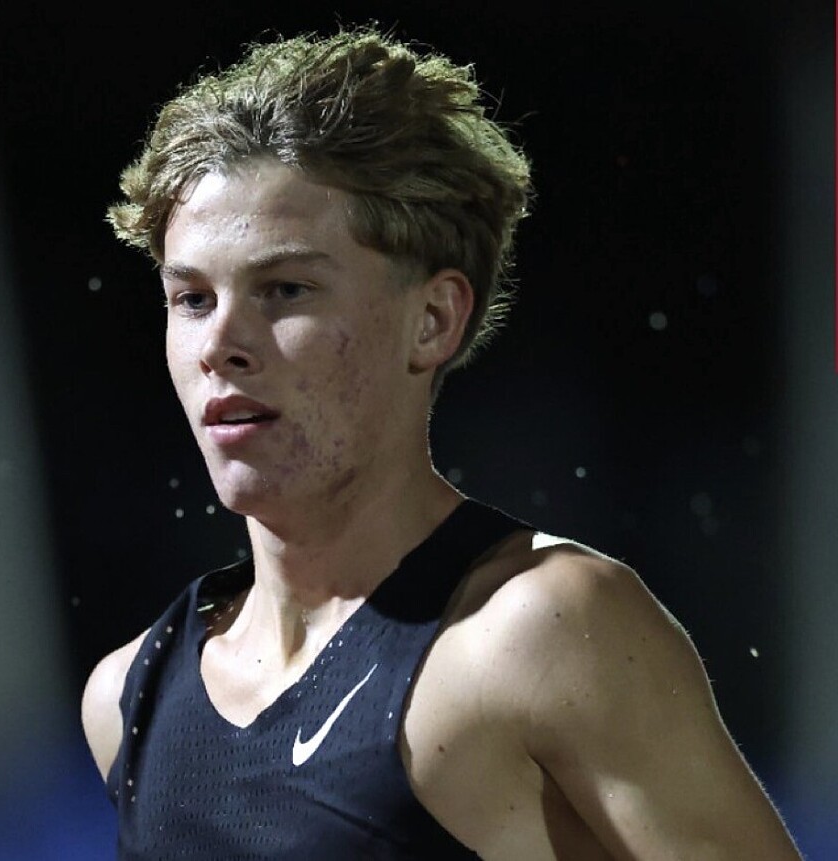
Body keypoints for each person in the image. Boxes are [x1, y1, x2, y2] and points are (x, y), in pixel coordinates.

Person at [81, 24, 804, 860]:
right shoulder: (128, 698)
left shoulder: (539, 633)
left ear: (432, 319)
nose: (220, 345)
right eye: (192, 299)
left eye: (284, 289)